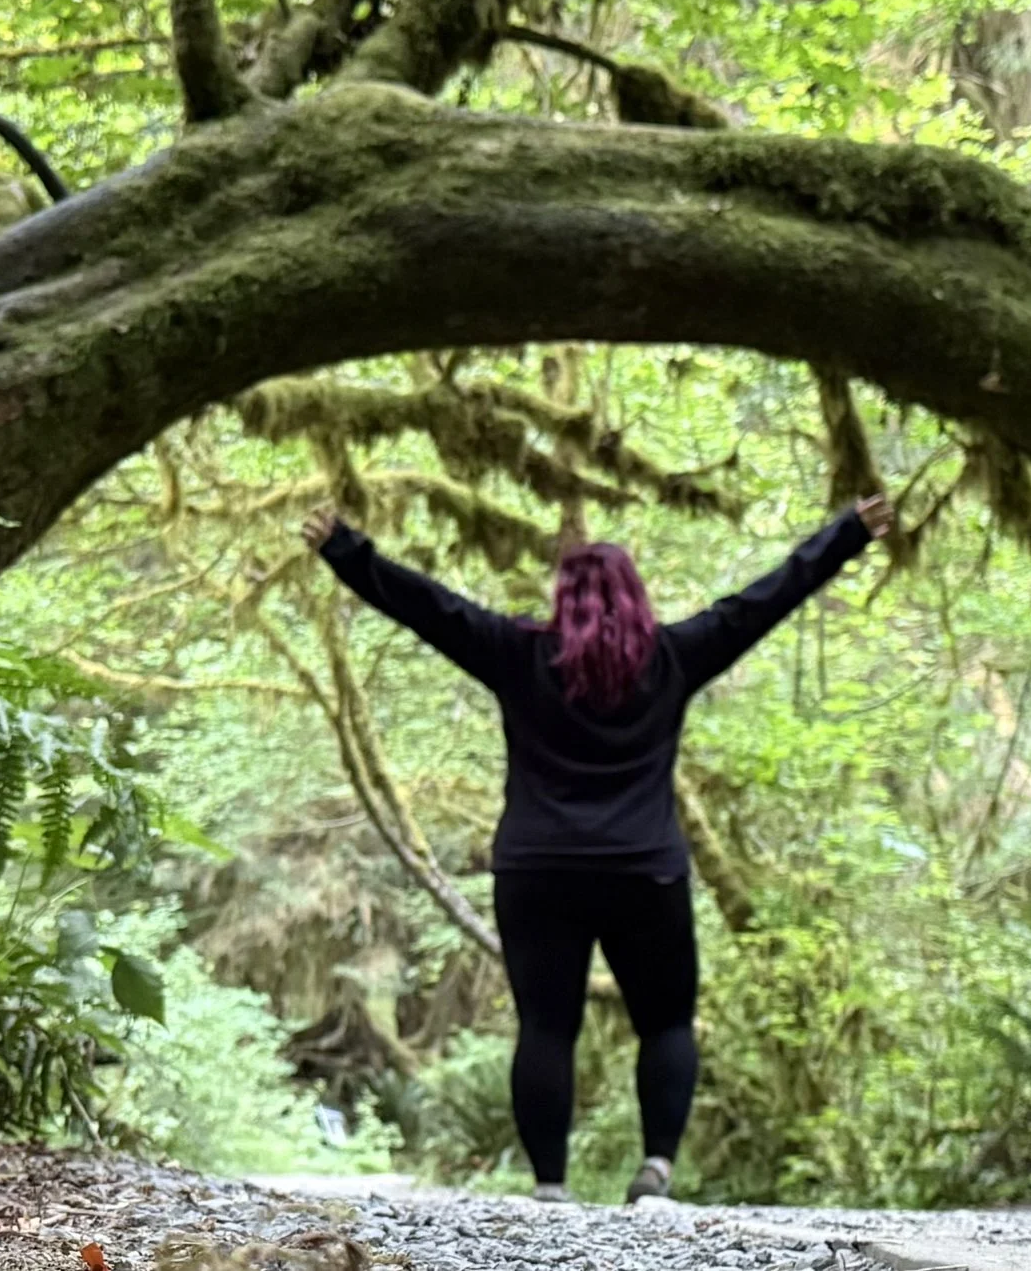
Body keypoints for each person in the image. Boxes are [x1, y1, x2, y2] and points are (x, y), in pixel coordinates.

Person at [303, 494, 894, 1205]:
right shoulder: (675, 656)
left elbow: (430, 607)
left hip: (537, 868)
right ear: (636, 597)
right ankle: (656, 1171)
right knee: (666, 1021)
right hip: (644, 869)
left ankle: (550, 1185)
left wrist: (345, 549)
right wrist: (849, 532)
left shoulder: (518, 653)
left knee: (547, 1025)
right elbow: (765, 599)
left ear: (564, 599)